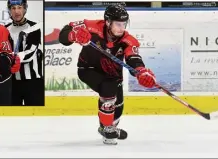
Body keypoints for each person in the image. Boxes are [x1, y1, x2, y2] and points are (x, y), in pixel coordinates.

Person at [58, 4, 157, 145]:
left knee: (119, 104)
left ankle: (111, 127)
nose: (121, 28)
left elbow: (133, 58)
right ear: (108, 22)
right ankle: (107, 128)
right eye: (118, 24)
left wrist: (140, 71)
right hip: (88, 69)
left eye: (124, 24)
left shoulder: (128, 40)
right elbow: (63, 34)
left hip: (113, 75)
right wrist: (72, 35)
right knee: (108, 89)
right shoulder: (91, 26)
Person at [5, 0, 43, 106]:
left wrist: (14, 57)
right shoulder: (5, 29)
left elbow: (30, 51)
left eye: (19, 7)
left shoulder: (34, 27)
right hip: (12, 82)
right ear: (9, 11)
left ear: (25, 9)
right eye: (13, 8)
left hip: (33, 81)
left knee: (36, 116)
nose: (17, 11)